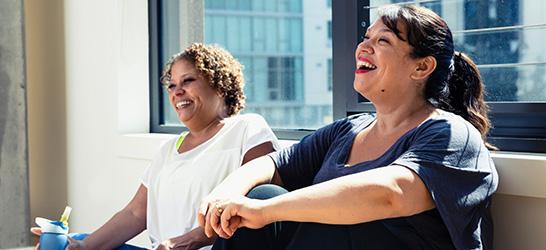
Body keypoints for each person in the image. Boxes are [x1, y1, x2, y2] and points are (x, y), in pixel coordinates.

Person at [198, 5, 498, 250]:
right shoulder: (348, 131)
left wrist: (263, 213)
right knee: (262, 193)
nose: (362, 47)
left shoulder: (451, 134)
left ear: (421, 67)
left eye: (383, 41)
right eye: (366, 37)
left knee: (330, 221)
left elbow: (389, 193)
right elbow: (273, 163)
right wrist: (225, 193)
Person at [32, 43, 279, 250]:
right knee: (76, 242)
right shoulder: (169, 149)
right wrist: (81, 247)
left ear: (220, 85)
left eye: (188, 80)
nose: (176, 91)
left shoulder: (247, 128)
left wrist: (190, 240)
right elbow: (135, 214)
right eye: (171, 85)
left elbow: (259, 206)